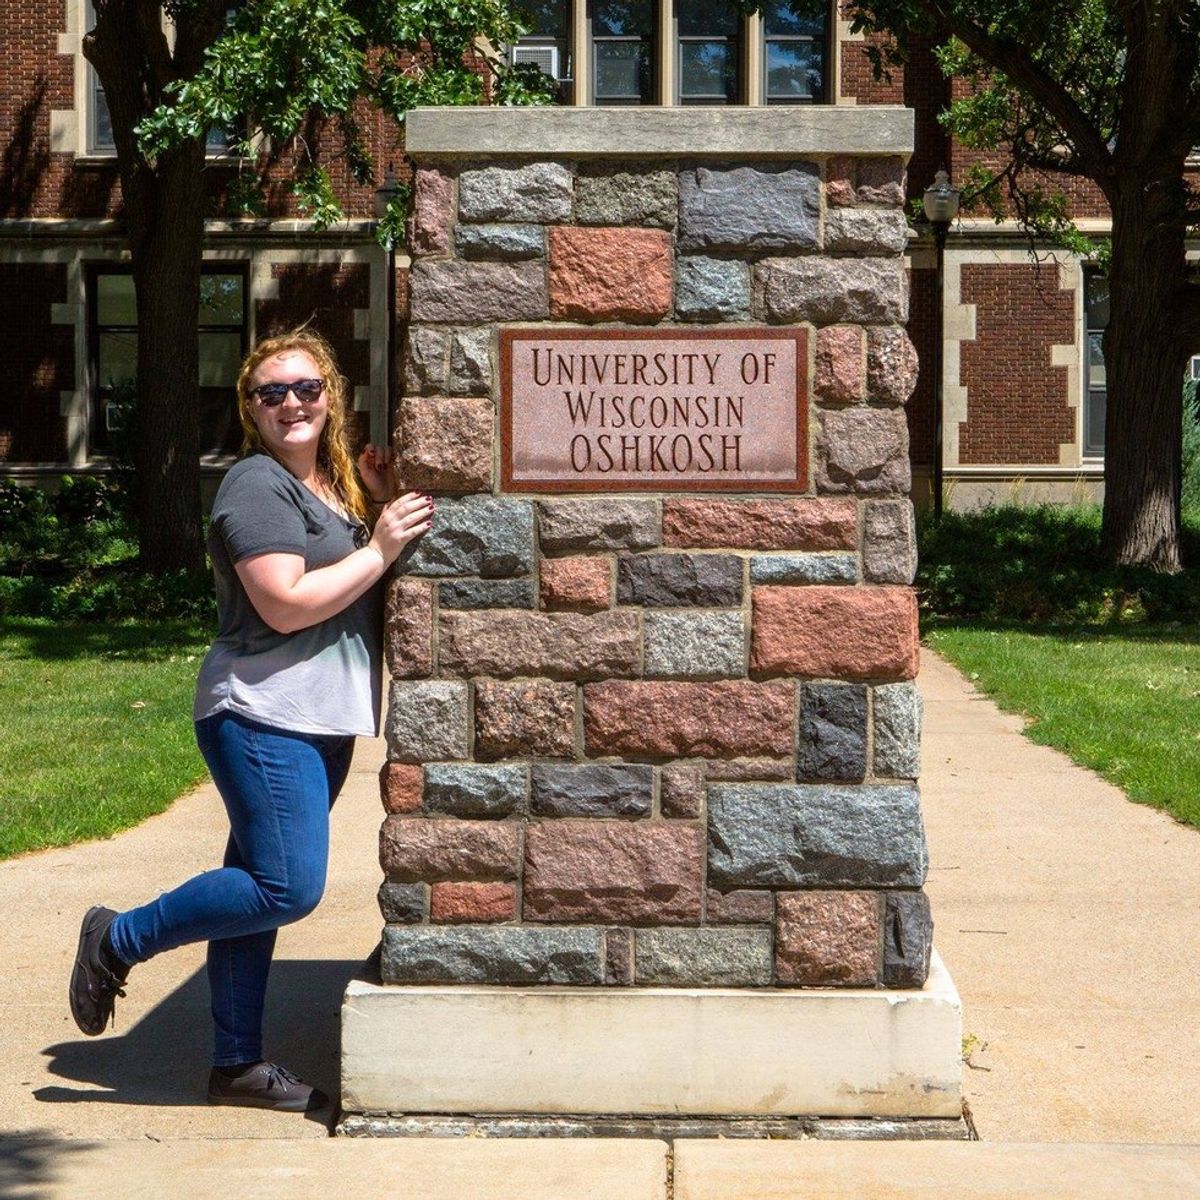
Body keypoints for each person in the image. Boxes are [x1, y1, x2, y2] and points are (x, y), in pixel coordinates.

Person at [67, 328, 433, 1112]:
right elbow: (285, 601)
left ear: (330, 396)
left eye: (306, 388)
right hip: (262, 713)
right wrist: (380, 545)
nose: (292, 403)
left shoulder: (326, 485)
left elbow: (327, 561)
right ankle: (118, 938)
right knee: (286, 887)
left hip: (317, 720)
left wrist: (368, 497)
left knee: (252, 886)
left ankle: (235, 1064)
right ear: (251, 408)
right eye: (273, 393)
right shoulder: (253, 486)